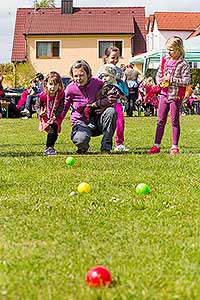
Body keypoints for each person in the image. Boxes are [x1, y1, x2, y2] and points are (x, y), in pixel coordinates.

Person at [61, 59, 117, 154]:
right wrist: (56, 122)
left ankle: (106, 148)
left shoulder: (98, 83)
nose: (78, 78)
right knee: (80, 140)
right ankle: (83, 146)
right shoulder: (70, 89)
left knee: (111, 111)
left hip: (98, 121)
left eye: (81, 75)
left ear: (88, 74)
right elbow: (63, 108)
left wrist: (102, 105)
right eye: (75, 76)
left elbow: (112, 98)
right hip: (81, 122)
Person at [148, 36, 190, 155]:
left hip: (175, 97)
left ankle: (174, 146)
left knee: (174, 121)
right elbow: (159, 74)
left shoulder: (183, 64)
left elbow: (186, 81)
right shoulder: (165, 61)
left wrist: (171, 79)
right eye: (168, 50)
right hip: (163, 95)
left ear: (179, 49)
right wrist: (160, 80)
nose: (169, 52)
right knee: (160, 120)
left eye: (171, 50)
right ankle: (156, 145)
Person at [86, 64, 129, 151]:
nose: (104, 78)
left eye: (106, 76)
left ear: (113, 76)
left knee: (118, 121)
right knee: (90, 111)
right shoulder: (106, 85)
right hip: (103, 106)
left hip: (112, 105)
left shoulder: (113, 88)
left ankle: (116, 142)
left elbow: (110, 100)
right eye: (102, 76)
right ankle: (92, 123)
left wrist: (97, 103)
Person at [35, 71, 65, 156]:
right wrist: (40, 112)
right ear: (46, 84)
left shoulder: (61, 94)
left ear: (59, 85)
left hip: (56, 116)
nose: (53, 87)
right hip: (45, 116)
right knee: (52, 129)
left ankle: (50, 147)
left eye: (56, 85)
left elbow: (61, 107)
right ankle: (48, 147)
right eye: (51, 84)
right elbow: (37, 106)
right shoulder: (42, 95)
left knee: (54, 130)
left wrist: (55, 116)